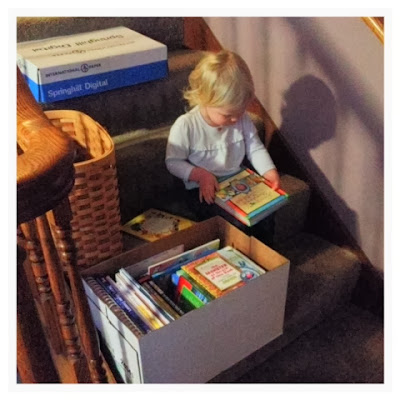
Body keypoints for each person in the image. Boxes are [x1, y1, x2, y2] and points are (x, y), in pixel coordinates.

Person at [165, 50, 280, 242]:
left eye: (240, 112)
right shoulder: (186, 125)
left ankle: (265, 254)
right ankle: (236, 254)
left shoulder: (242, 120)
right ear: (204, 99)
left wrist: (269, 171)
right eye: (228, 115)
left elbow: (255, 147)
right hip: (203, 188)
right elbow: (173, 162)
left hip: (237, 180)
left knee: (266, 215)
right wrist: (200, 175)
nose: (235, 119)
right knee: (233, 223)